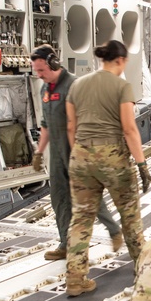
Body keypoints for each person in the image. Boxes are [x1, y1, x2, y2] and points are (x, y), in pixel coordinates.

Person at [65, 40, 151, 297]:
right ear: (120, 60)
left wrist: (80, 154)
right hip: (113, 159)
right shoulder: (122, 87)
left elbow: (70, 127)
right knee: (130, 215)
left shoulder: (77, 85)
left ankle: (75, 279)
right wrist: (142, 164)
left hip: (80, 157)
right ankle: (143, 269)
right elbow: (129, 129)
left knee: (81, 218)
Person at [30, 45, 124, 260]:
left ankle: (114, 231)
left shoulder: (75, 86)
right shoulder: (45, 90)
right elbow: (45, 123)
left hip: (79, 150)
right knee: (59, 198)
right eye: (36, 71)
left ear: (53, 63)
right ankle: (65, 243)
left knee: (88, 196)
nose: (39, 75)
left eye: (42, 70)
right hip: (57, 153)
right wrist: (39, 151)